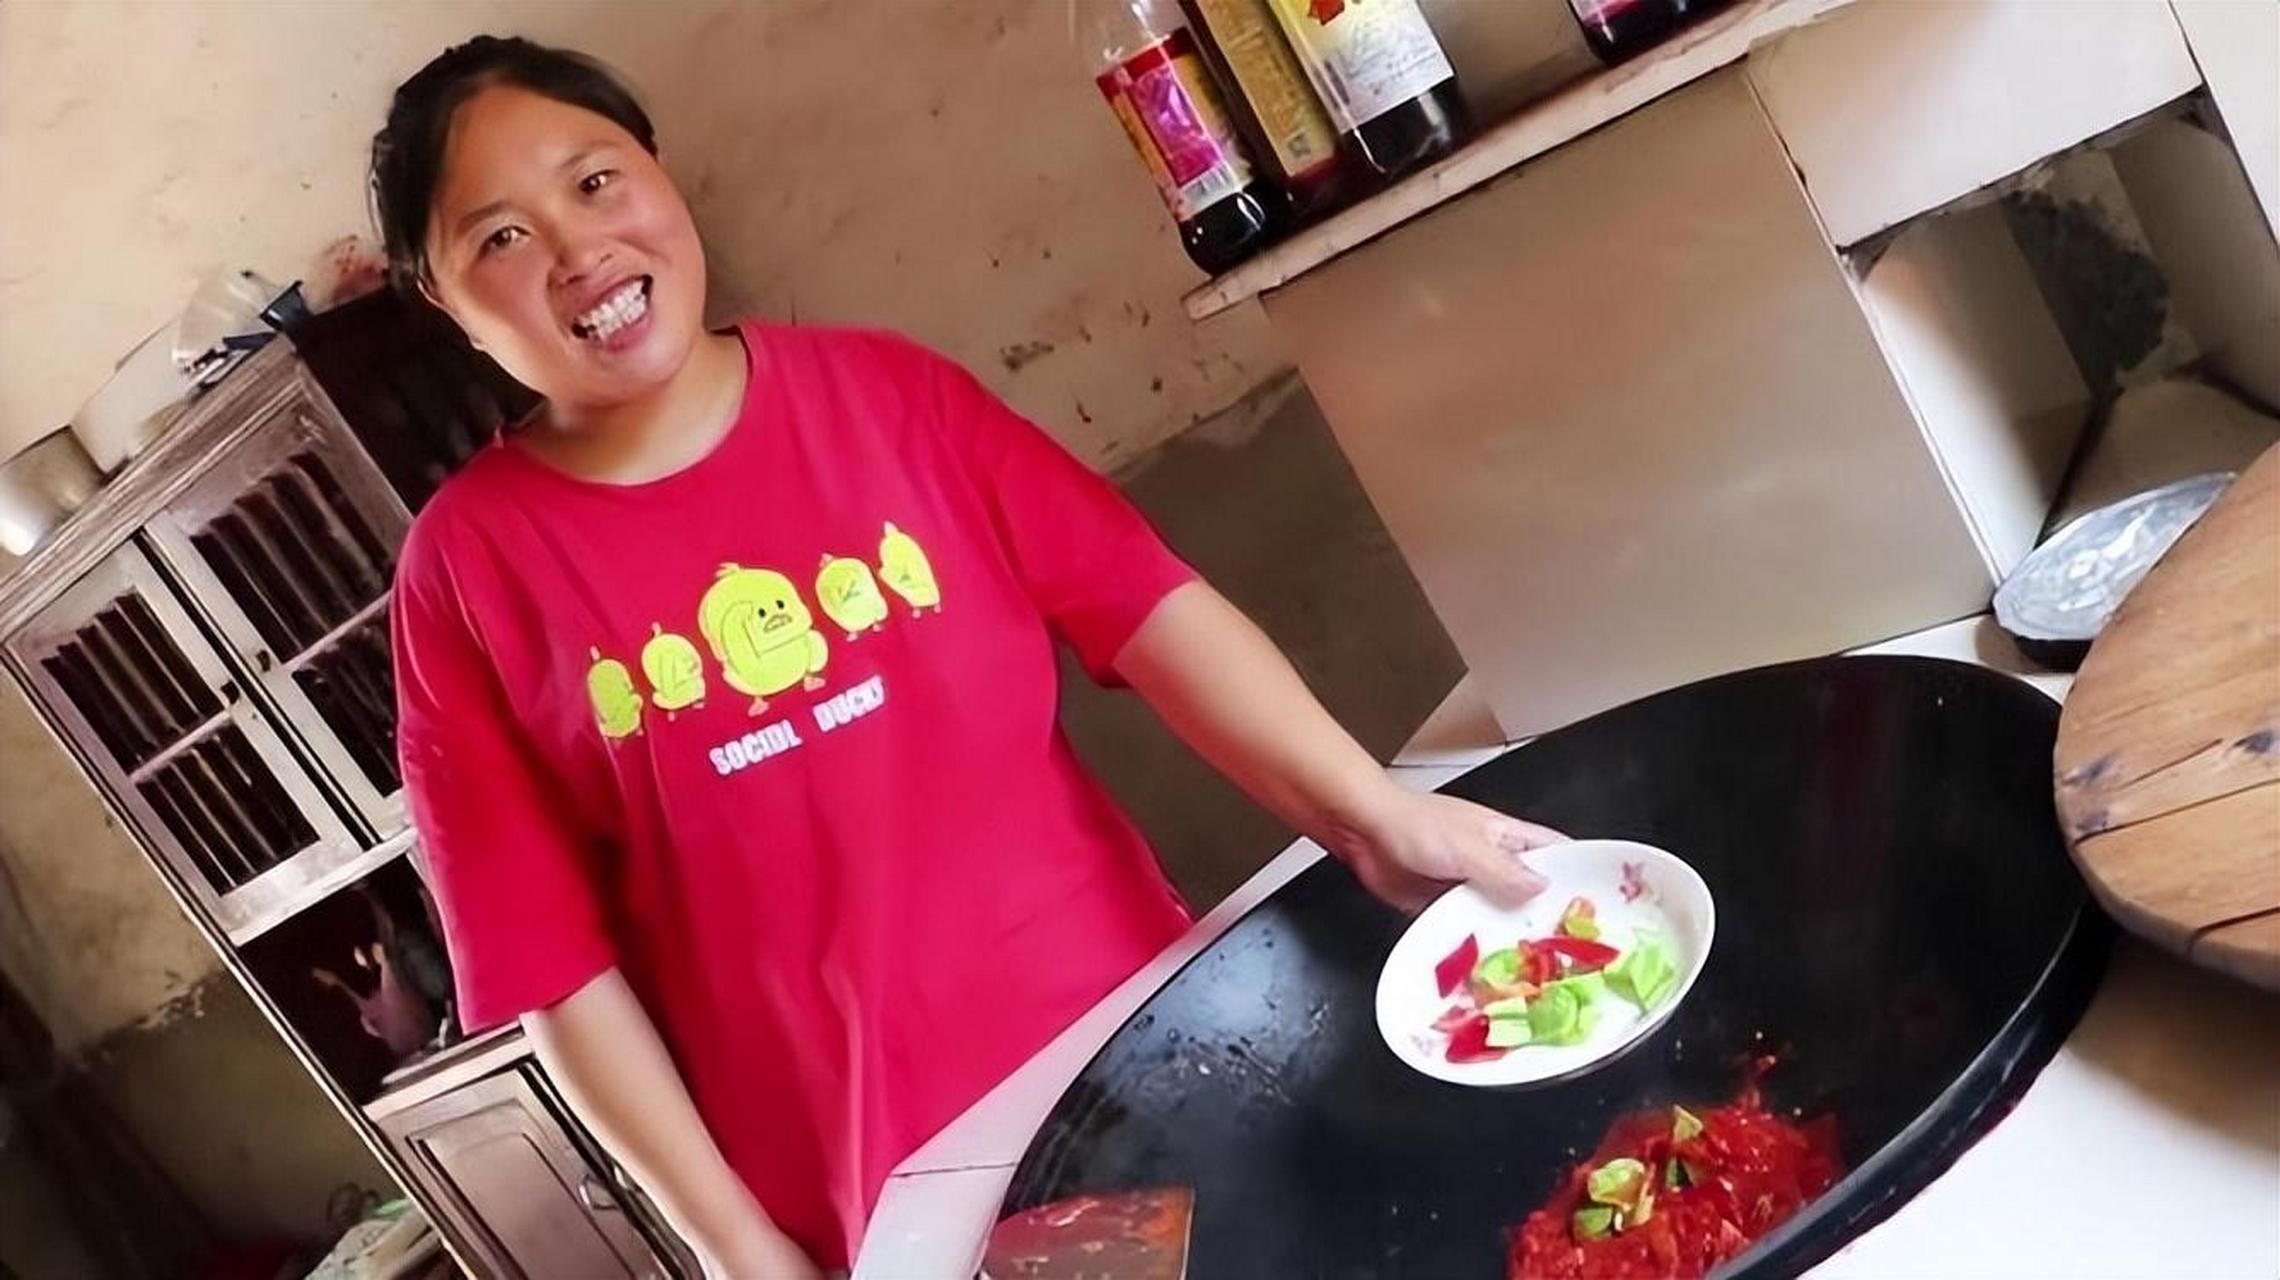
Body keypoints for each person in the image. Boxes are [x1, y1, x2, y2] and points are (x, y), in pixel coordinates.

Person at [373, 35, 1560, 1278]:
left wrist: (1370, 813)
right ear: (443, 302)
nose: (577, 250)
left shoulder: (887, 396)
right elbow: (554, 966)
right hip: (875, 1185)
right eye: (500, 238)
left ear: (656, 171)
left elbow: (1146, 606)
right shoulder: (466, 579)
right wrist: (736, 1246)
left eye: (595, 180)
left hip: (1145, 1054)